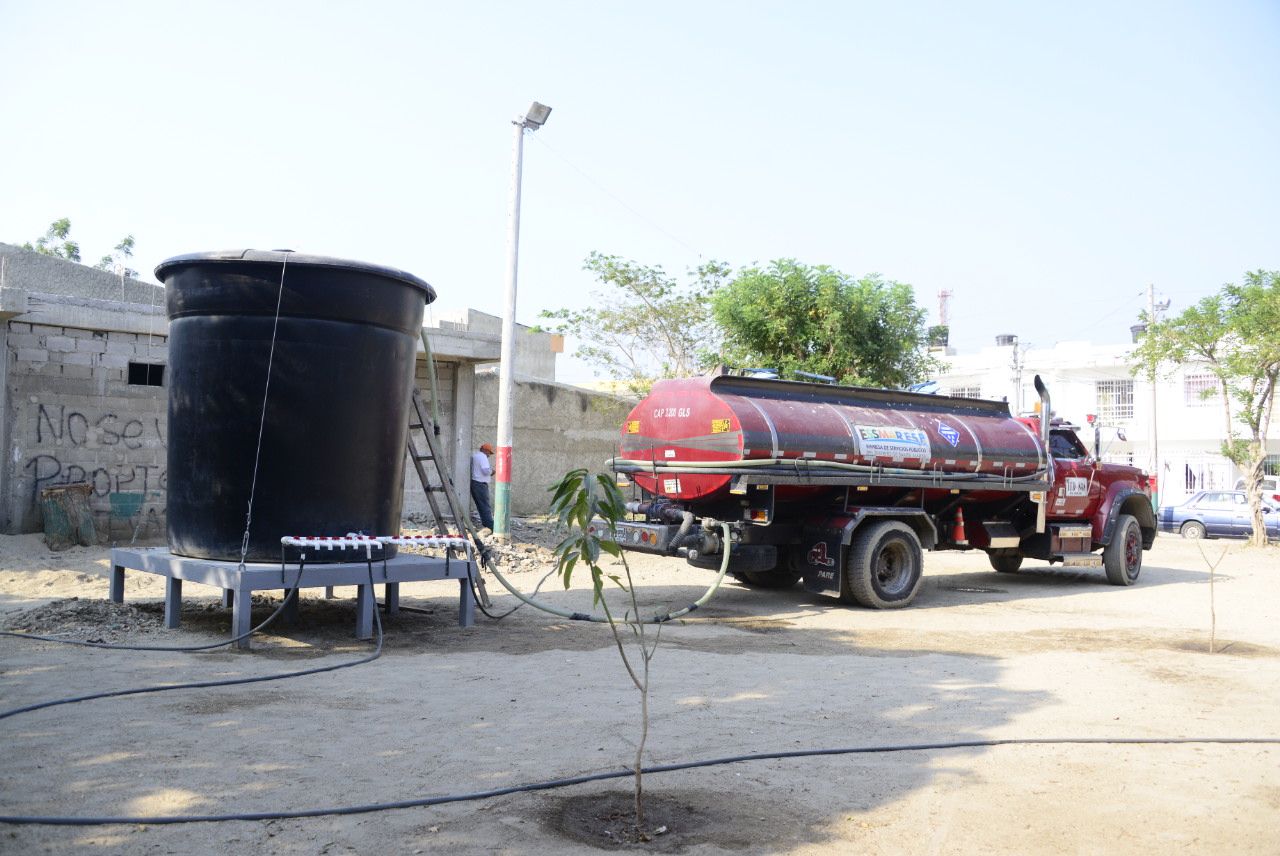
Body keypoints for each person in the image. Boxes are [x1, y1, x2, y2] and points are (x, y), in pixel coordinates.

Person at [470, 442, 495, 532]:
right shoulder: (483, 457)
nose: (489, 455)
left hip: (475, 483)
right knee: (485, 506)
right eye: (489, 453)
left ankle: (486, 524)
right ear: (485, 450)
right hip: (480, 484)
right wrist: (492, 471)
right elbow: (485, 470)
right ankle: (490, 525)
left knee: (481, 506)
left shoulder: (475, 456)